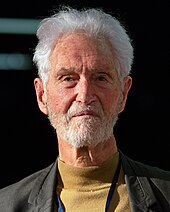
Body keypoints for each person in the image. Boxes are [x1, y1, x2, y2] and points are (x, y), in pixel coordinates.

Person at [0, 5, 170, 212]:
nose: (85, 94)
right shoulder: (6, 204)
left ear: (123, 94)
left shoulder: (166, 194)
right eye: (68, 78)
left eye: (100, 77)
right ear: (42, 95)